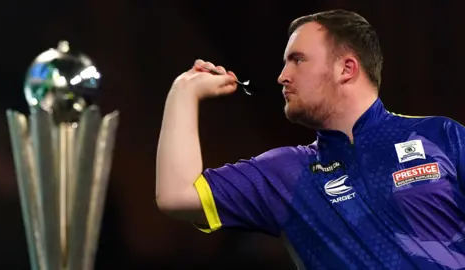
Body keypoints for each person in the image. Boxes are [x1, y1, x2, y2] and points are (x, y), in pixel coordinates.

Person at [155, 9, 465, 269]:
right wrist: (184, 92)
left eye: (298, 60)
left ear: (346, 68)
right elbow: (176, 195)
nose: (282, 76)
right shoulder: (286, 173)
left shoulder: (442, 137)